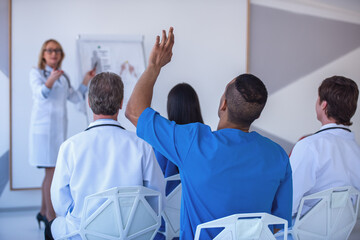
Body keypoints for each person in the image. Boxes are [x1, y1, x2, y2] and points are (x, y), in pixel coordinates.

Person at [125, 27, 292, 239]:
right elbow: (279, 226)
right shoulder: (278, 156)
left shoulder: (193, 143)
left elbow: (133, 112)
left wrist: (154, 66)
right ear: (256, 116)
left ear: (223, 104)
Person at [47, 72, 166, 240]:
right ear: (121, 104)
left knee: (55, 225)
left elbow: (60, 204)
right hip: (132, 234)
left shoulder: (70, 147)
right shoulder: (142, 145)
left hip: (83, 234)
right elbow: (158, 199)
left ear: (89, 102)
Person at [29, 39, 95, 227]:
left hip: (58, 130)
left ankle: (43, 212)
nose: (54, 53)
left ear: (61, 54)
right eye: (49, 50)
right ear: (43, 54)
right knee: (51, 171)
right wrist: (51, 79)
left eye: (57, 50)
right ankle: (51, 219)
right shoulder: (36, 73)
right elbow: (40, 93)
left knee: (50, 172)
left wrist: (86, 80)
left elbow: (75, 97)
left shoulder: (62, 77)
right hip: (42, 132)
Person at [290, 76, 360, 217]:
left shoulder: (308, 146)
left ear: (323, 105)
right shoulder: (356, 149)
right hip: (342, 233)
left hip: (302, 232)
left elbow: (288, 201)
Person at [155, 83, 204, 240]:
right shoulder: (208, 142)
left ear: (171, 108)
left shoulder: (161, 145)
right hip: (199, 221)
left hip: (165, 224)